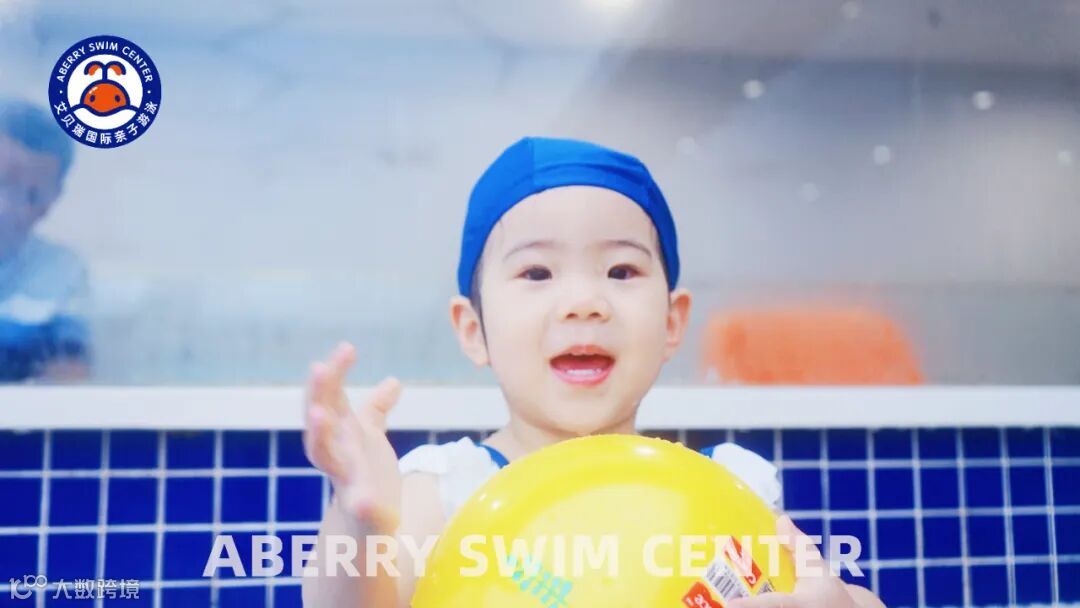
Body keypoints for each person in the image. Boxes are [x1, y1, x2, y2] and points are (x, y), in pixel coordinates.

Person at [301, 137, 886, 607]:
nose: (584, 302)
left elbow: (827, 589)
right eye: (537, 273)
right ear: (474, 329)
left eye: (621, 272)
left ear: (672, 322)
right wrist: (361, 521)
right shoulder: (448, 490)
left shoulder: (723, 487)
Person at [0, 98, 90, 383]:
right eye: (1, 182)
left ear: (52, 200)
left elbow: (70, 373)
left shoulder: (61, 273)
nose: (6, 207)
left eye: (31, 196)